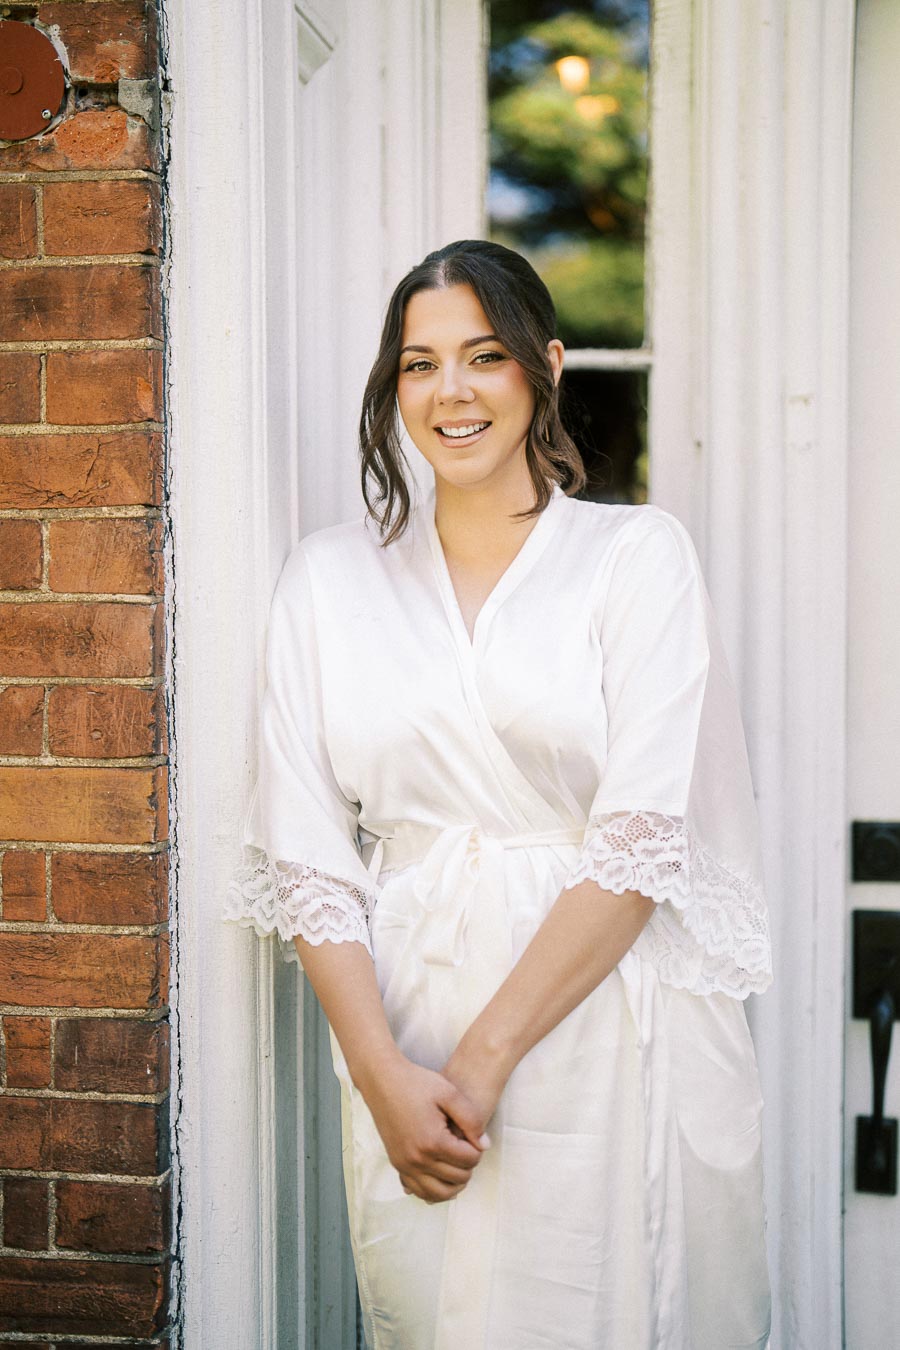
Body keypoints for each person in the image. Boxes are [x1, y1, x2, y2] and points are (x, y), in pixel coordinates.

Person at [225, 239, 773, 1349]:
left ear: (547, 368)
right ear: (394, 389)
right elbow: (306, 849)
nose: (452, 391)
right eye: (419, 365)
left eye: (485, 356)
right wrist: (386, 1076)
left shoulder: (636, 560)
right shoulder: (327, 579)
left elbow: (638, 841)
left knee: (608, 1302)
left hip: (603, 1017)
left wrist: (477, 1069)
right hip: (405, 1016)